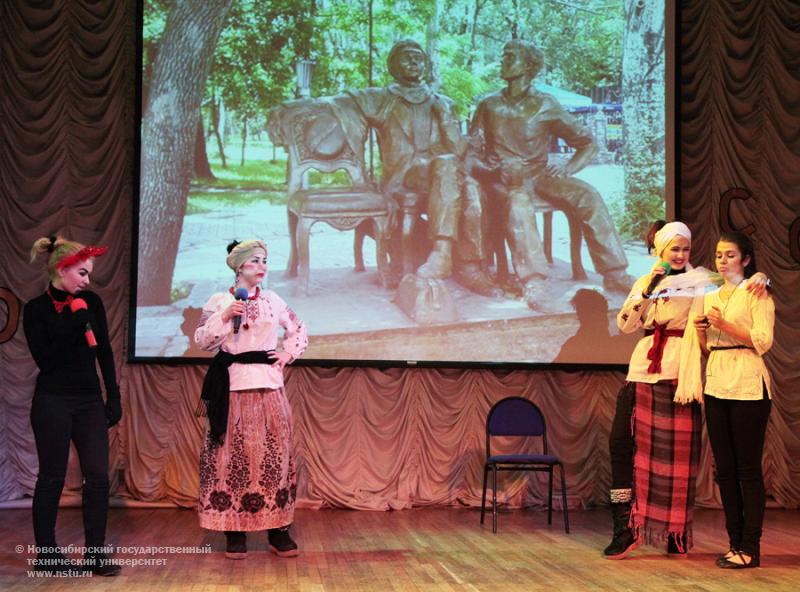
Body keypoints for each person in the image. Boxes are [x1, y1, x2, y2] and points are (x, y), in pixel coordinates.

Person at [605, 221, 768, 560]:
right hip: (643, 370)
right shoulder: (645, 282)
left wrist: (760, 277)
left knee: (677, 460)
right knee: (623, 445)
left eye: (684, 249)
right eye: (673, 250)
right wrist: (650, 284)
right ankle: (625, 527)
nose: (679, 255)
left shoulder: (701, 283)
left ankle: (674, 533)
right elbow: (624, 324)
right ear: (660, 252)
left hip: (681, 375)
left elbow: (735, 285)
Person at [468, 40, 633, 311]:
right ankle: (534, 281)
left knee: (588, 194)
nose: (503, 61)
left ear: (529, 66)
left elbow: (587, 142)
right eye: (504, 56)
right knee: (518, 201)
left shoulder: (546, 105)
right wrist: (487, 169)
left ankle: (615, 273)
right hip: (503, 179)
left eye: (511, 57)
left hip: (539, 176)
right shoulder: (489, 105)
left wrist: (567, 168)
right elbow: (471, 151)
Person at [333, 38, 497, 295]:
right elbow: (339, 103)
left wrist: (445, 116)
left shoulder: (442, 102)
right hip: (405, 174)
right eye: (407, 56)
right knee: (448, 166)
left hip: (444, 173)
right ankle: (442, 253)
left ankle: (469, 267)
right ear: (393, 65)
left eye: (418, 57)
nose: (413, 61)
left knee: (473, 190)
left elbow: (457, 149)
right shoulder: (381, 98)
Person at [195, 239, 308, 560]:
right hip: (232, 388)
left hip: (269, 387)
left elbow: (298, 327)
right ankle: (234, 529)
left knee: (273, 457)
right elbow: (203, 339)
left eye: (265, 261)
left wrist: (288, 352)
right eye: (255, 261)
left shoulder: (273, 300)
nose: (262, 267)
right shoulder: (220, 300)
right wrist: (225, 314)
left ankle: (277, 529)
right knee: (233, 459)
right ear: (239, 266)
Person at [23, 236, 122, 576]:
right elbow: (46, 360)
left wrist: (114, 395)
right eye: (82, 273)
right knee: (51, 477)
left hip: (89, 400)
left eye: (89, 274)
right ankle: (47, 554)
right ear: (62, 269)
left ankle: (95, 553)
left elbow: (104, 351)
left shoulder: (91, 302)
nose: (87, 281)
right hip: (52, 400)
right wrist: (75, 325)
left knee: (97, 477)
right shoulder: (35, 310)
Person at [693, 231, 774, 569]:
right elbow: (707, 347)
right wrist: (701, 333)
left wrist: (726, 324)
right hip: (717, 379)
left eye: (729, 255)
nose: (722, 260)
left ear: (746, 259)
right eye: (718, 255)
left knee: (746, 469)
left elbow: (762, 340)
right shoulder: (712, 295)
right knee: (724, 470)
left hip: (748, 382)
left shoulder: (758, 291)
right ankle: (734, 542)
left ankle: (750, 547)